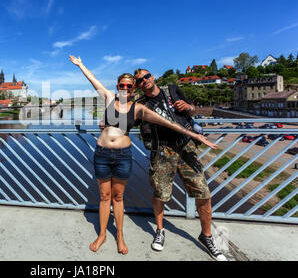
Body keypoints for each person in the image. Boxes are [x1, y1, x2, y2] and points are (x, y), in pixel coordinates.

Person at [69, 55, 217, 255]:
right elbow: (92, 79)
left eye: (130, 86)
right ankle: (102, 235)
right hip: (102, 154)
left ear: (134, 89)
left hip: (122, 155)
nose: (125, 89)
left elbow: (169, 123)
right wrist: (80, 65)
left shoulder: (138, 108)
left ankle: (120, 237)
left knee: (118, 198)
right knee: (104, 197)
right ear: (117, 86)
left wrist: (195, 135)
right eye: (122, 85)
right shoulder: (108, 98)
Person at [133, 68, 227, 261]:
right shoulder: (140, 104)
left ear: (153, 76)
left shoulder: (173, 89)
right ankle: (160, 230)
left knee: (203, 193)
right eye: (139, 80)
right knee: (161, 194)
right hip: (162, 151)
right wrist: (107, 123)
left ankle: (206, 236)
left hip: (186, 147)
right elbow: (123, 119)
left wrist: (189, 107)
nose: (144, 81)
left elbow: (192, 109)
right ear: (138, 86)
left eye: (146, 76)